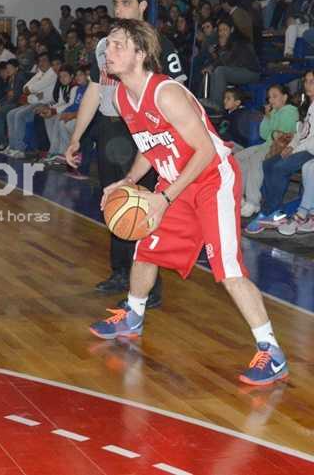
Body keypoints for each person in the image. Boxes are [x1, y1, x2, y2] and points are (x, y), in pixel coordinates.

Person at [89, 19, 289, 387]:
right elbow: (149, 146)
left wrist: (164, 198)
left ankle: (272, 352)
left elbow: (205, 152)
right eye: (108, 44)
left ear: (140, 54)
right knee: (146, 246)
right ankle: (133, 316)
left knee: (228, 268)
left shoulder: (165, 94)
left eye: (118, 45)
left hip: (212, 179)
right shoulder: (121, 96)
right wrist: (129, 180)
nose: (108, 51)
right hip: (175, 181)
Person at [65, 0, 187, 308]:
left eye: (126, 3)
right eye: (116, 3)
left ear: (143, 5)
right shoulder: (106, 46)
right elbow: (94, 91)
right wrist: (76, 137)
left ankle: (149, 288)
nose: (119, 9)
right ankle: (121, 271)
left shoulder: (161, 45)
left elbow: (180, 93)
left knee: (143, 208)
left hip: (145, 131)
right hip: (111, 129)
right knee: (116, 202)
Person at [235, 84, 298, 218]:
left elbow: (281, 135)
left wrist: (273, 129)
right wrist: (267, 117)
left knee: (255, 160)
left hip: (279, 148)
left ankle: (253, 201)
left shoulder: (290, 111)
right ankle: (240, 196)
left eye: (275, 96)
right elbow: (264, 134)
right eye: (269, 97)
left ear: (285, 97)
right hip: (266, 145)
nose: (271, 100)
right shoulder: (274, 112)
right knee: (238, 158)